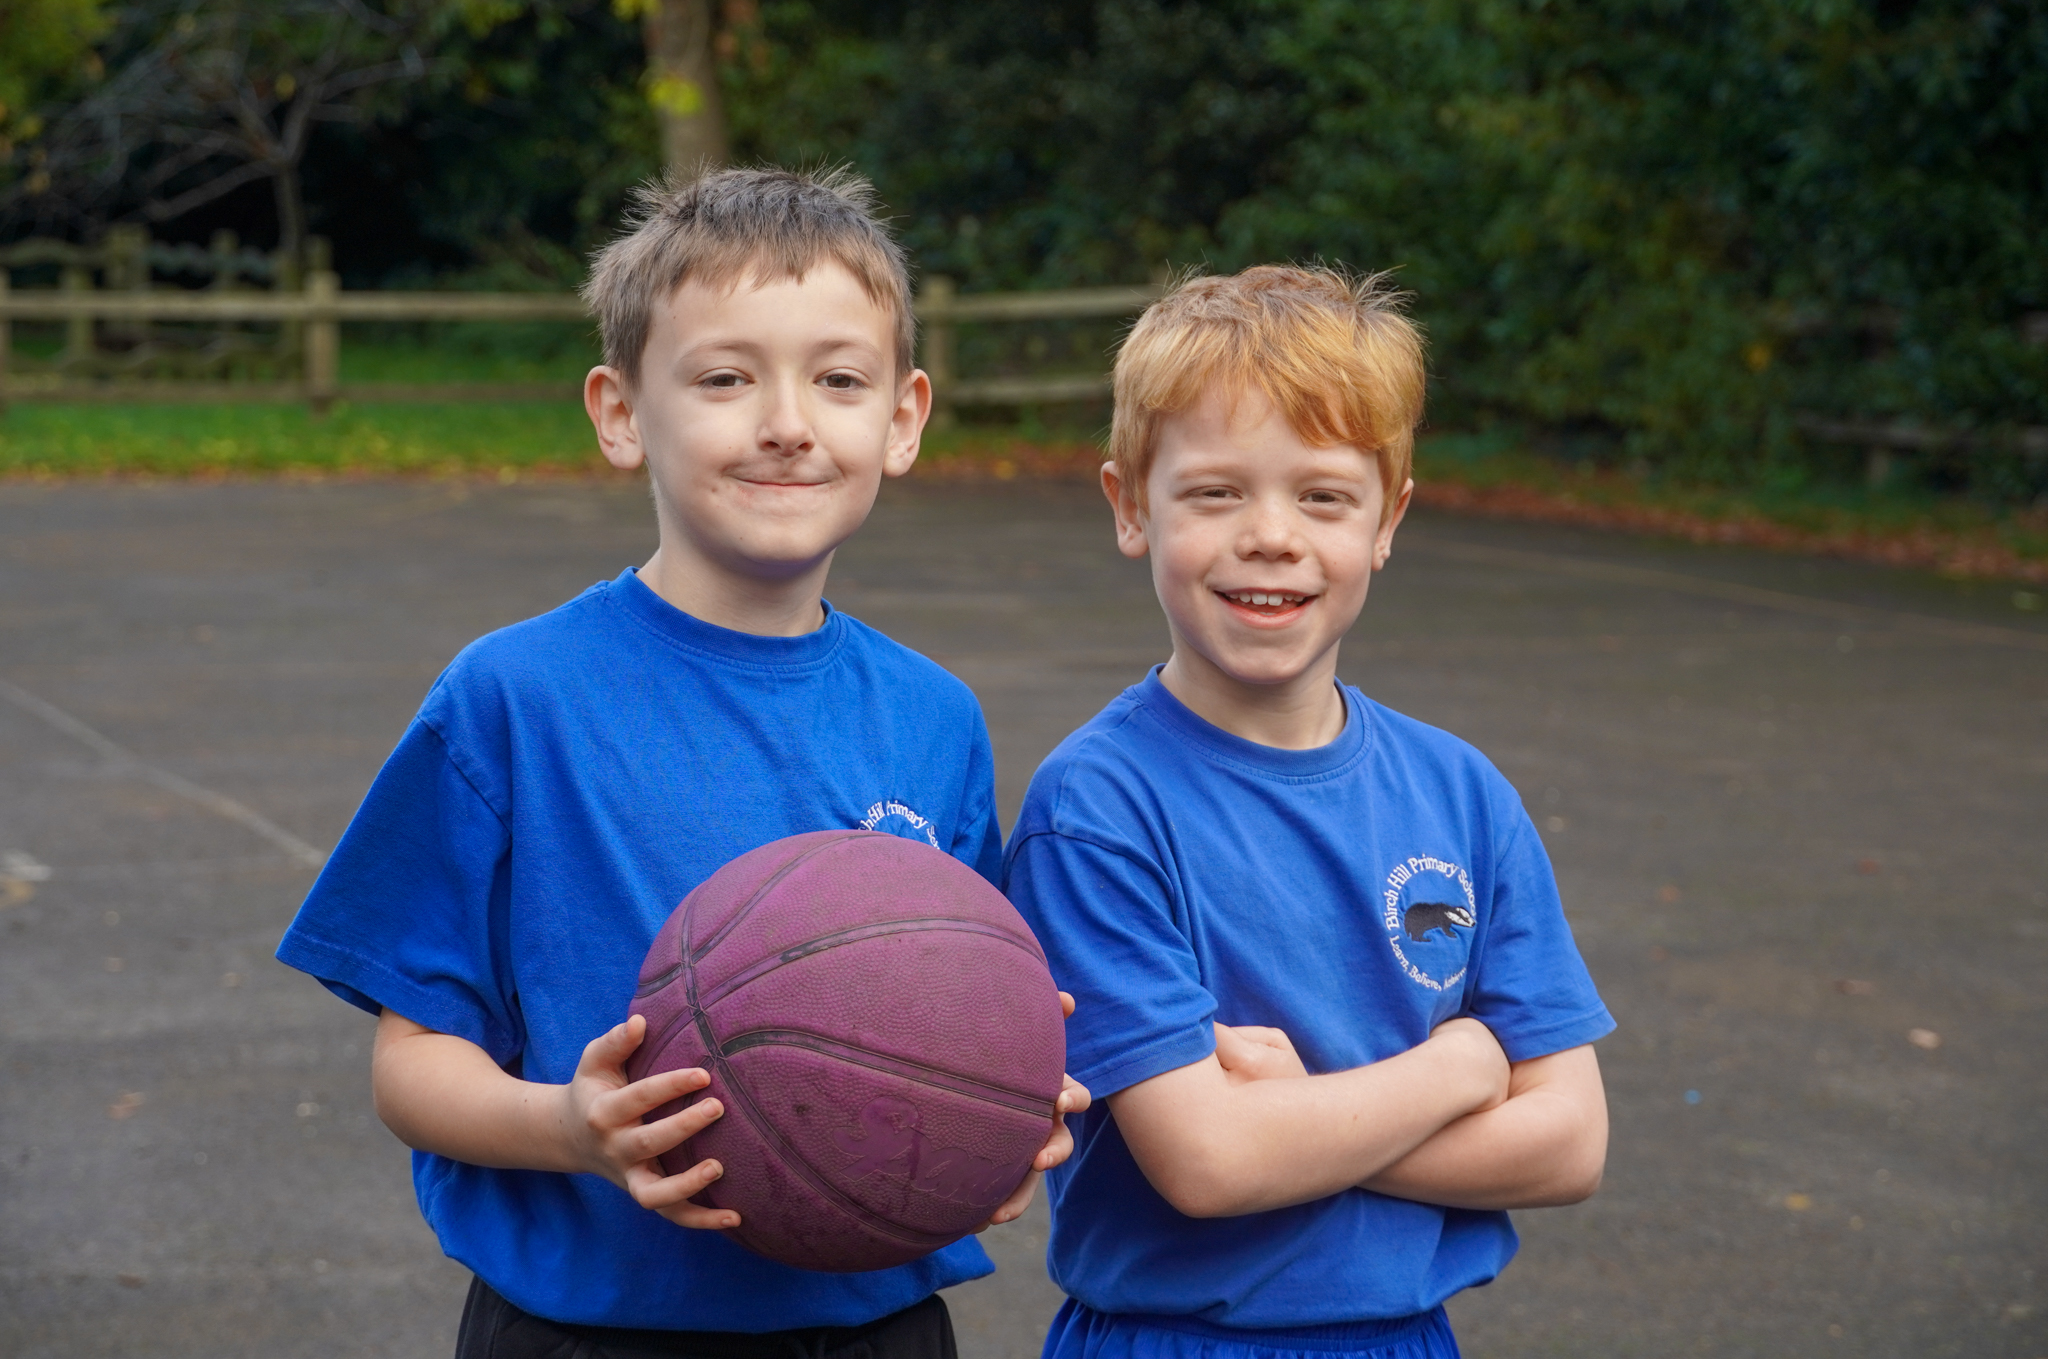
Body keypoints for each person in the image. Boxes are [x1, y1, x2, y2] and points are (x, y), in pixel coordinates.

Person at [276, 165, 1087, 1359]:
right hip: (588, 1328)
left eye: (838, 379)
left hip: (874, 1322)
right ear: (617, 412)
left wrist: (991, 1109)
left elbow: (971, 1000)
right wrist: (570, 1127)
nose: (785, 422)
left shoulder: (933, 716)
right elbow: (411, 1063)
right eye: (722, 378)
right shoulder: (515, 698)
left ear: (903, 418)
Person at [1003, 265, 1613, 1359]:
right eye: (1214, 492)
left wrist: (1310, 1117)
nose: (1270, 535)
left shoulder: (1458, 791)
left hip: (1402, 1336)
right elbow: (1211, 1165)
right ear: (1128, 507)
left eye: (1322, 496)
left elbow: (1568, 1143)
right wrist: (1457, 1070)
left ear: (1387, 520)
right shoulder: (1098, 807)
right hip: (1173, 1338)